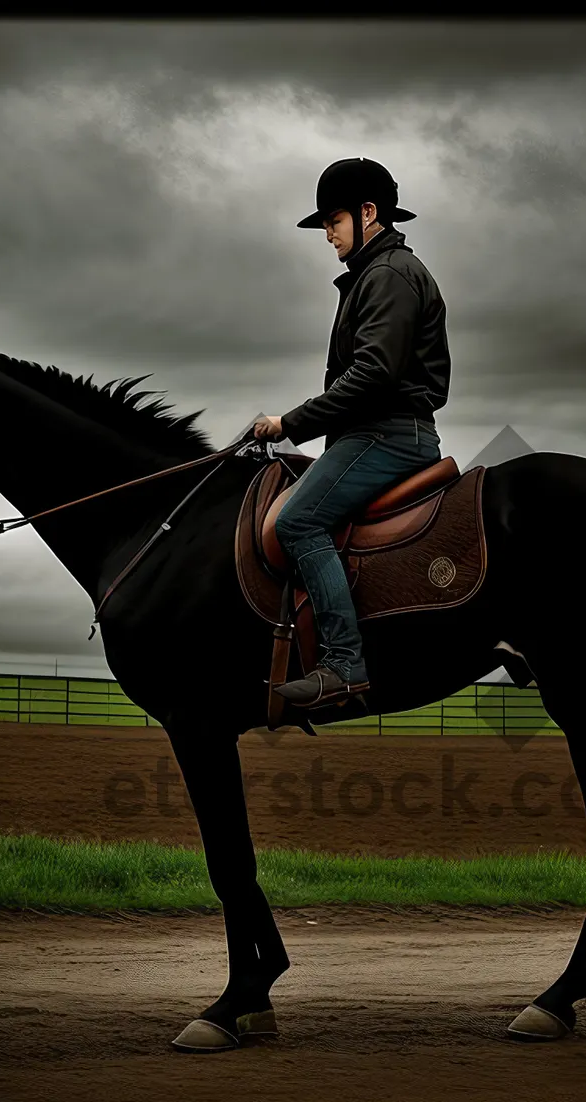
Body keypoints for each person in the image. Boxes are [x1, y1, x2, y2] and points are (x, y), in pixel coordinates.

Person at [254, 157, 451, 710]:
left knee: (296, 520)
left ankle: (343, 664)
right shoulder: (375, 274)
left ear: (369, 213)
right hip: (376, 432)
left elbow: (373, 374)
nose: (328, 234)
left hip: (387, 435)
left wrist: (287, 423)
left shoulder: (387, 275)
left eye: (333, 220)